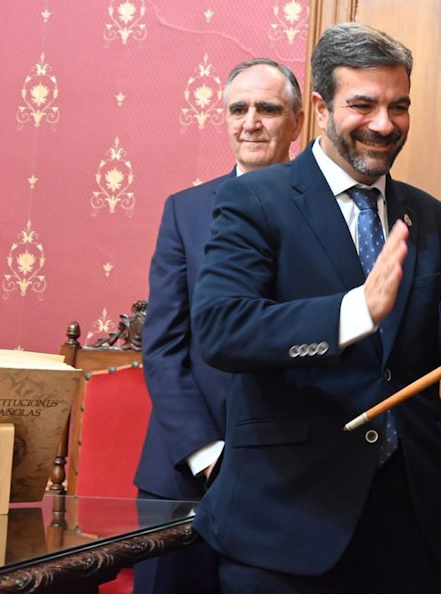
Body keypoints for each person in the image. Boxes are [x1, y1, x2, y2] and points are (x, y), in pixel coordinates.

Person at [190, 22, 441, 593]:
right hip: (286, 525)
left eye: (399, 106)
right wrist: (354, 311)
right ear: (319, 106)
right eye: (363, 105)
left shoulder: (431, 216)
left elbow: (420, 356)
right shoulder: (253, 199)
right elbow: (221, 329)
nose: (385, 124)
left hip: (408, 522)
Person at [133, 58, 305, 594]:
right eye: (238, 109)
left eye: (268, 109)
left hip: (291, 480)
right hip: (184, 473)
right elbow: (162, 349)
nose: (250, 121)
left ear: (298, 121)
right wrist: (209, 454)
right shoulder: (184, 211)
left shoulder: (327, 212)